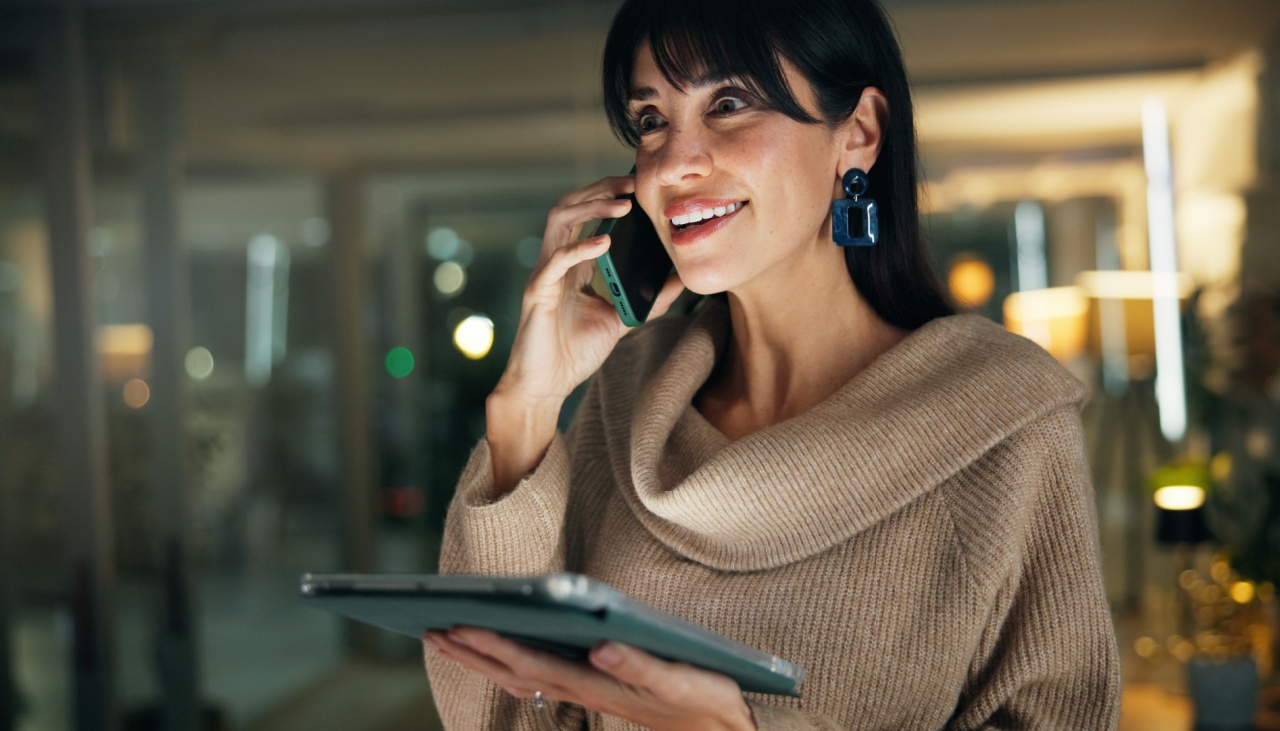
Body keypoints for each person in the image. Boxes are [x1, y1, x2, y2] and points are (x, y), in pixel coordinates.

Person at [422, 0, 1122, 728]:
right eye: (651, 121)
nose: (672, 166)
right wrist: (529, 406)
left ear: (858, 131)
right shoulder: (628, 395)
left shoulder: (1004, 420)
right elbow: (503, 713)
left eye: (727, 103)